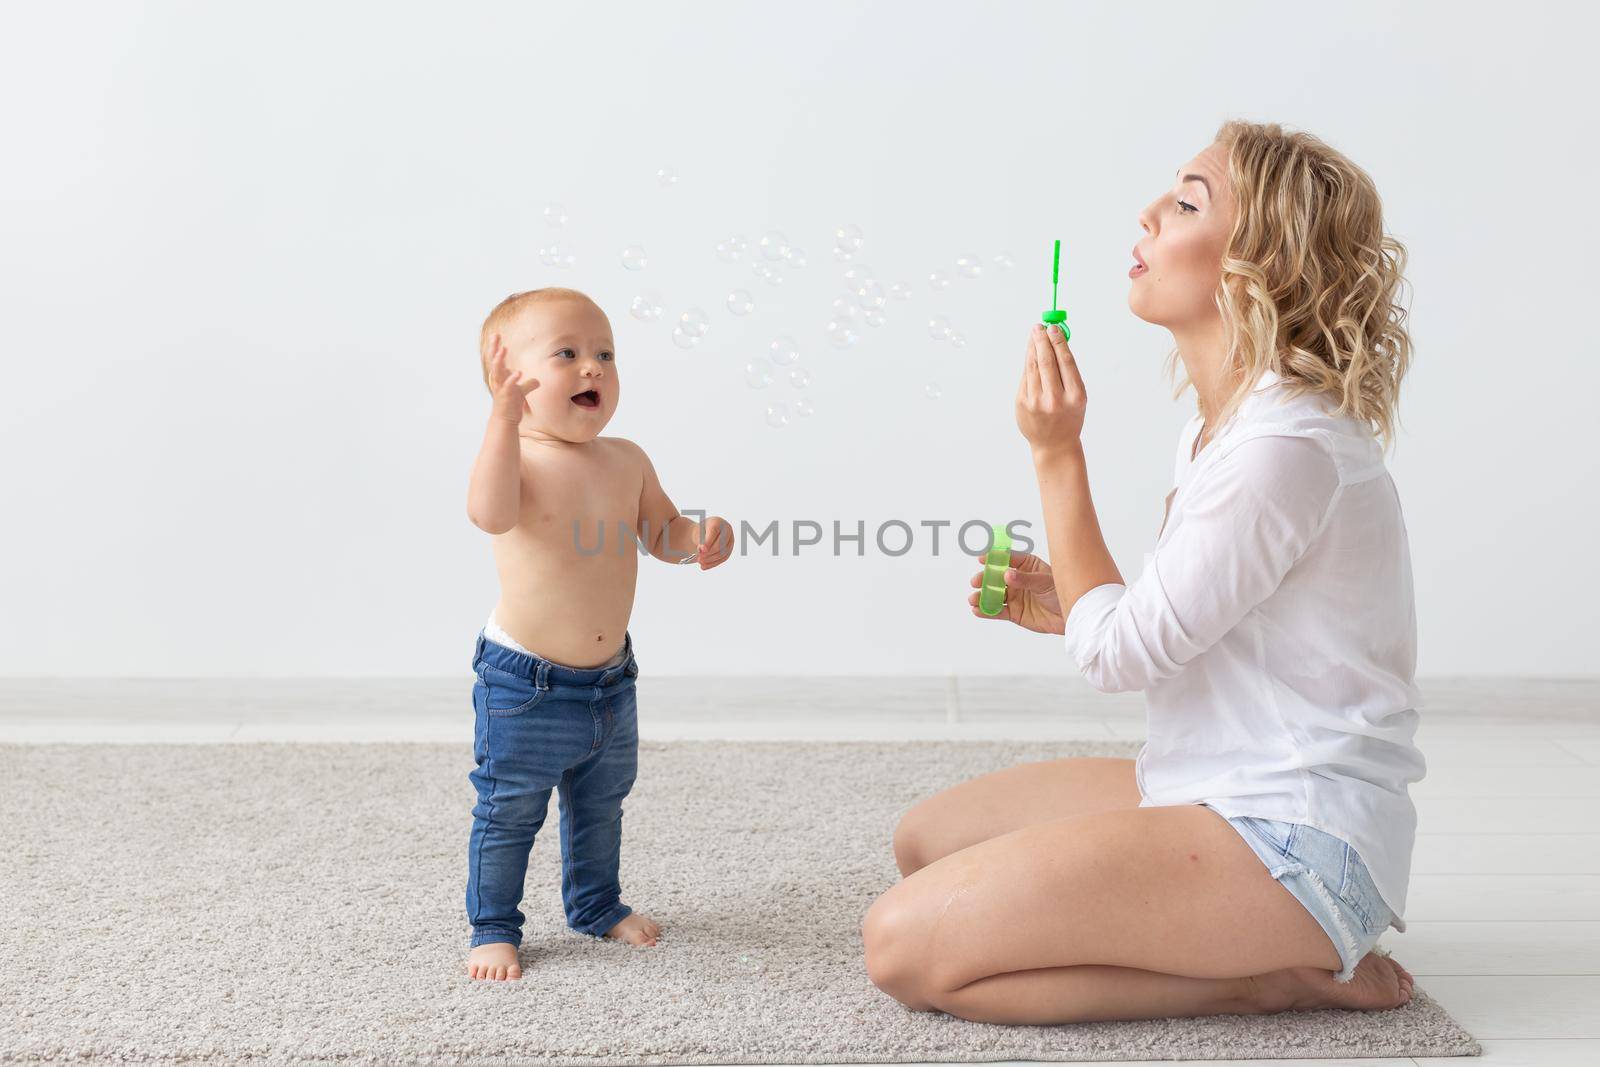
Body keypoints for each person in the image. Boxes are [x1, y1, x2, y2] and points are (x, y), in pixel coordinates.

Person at [864, 120, 1423, 1024]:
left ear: (1255, 265)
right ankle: (1242, 946)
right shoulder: (1224, 432)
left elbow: (1118, 659)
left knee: (904, 949)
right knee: (924, 842)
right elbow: (1180, 629)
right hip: (1214, 783)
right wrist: (1076, 604)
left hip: (1298, 843)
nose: (1150, 213)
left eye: (1187, 201)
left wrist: (1056, 455)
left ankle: (1266, 974)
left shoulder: (1282, 449)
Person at [463, 287, 733, 981]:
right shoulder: (517, 458)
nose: (594, 368)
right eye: (568, 353)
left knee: (601, 802)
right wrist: (500, 421)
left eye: (605, 354)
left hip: (611, 681)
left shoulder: (626, 459)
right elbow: (489, 513)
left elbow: (661, 531)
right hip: (526, 683)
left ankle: (595, 902)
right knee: (509, 809)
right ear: (510, 379)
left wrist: (696, 537)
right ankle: (494, 924)